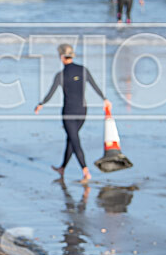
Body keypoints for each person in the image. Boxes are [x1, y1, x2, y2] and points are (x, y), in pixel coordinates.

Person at [34, 44, 111, 183]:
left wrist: (41, 104)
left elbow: (51, 93)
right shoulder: (83, 70)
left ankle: (85, 170)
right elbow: (95, 86)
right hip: (82, 111)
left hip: (68, 112)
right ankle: (62, 168)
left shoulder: (61, 75)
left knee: (74, 140)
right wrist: (105, 99)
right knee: (71, 138)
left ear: (62, 57)